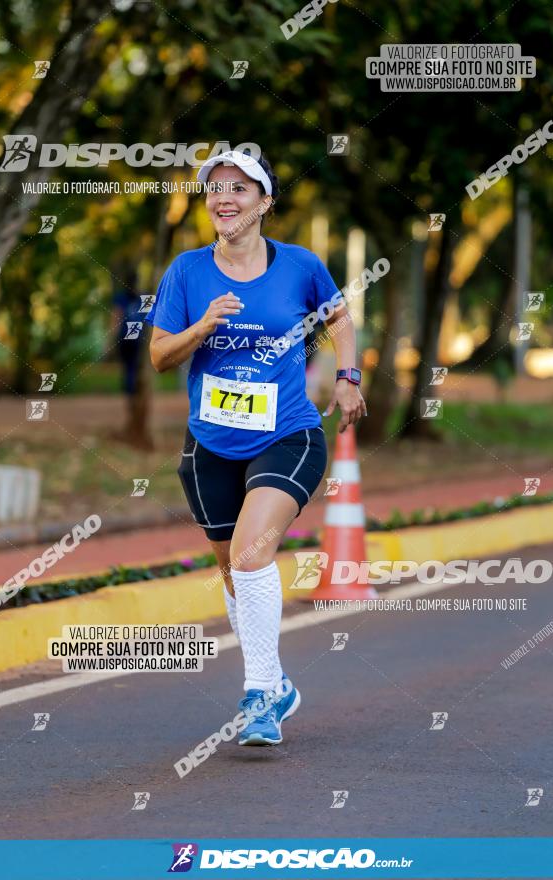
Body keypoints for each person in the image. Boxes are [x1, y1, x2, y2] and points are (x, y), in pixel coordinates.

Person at [146, 149, 366, 746]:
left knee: (250, 556)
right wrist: (201, 327)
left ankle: (259, 696)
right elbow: (160, 355)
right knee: (233, 572)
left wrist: (348, 379)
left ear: (265, 201)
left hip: (287, 435)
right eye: (215, 188)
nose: (225, 198)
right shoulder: (187, 272)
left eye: (240, 188)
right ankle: (278, 685)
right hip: (209, 446)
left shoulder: (299, 266)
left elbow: (340, 322)